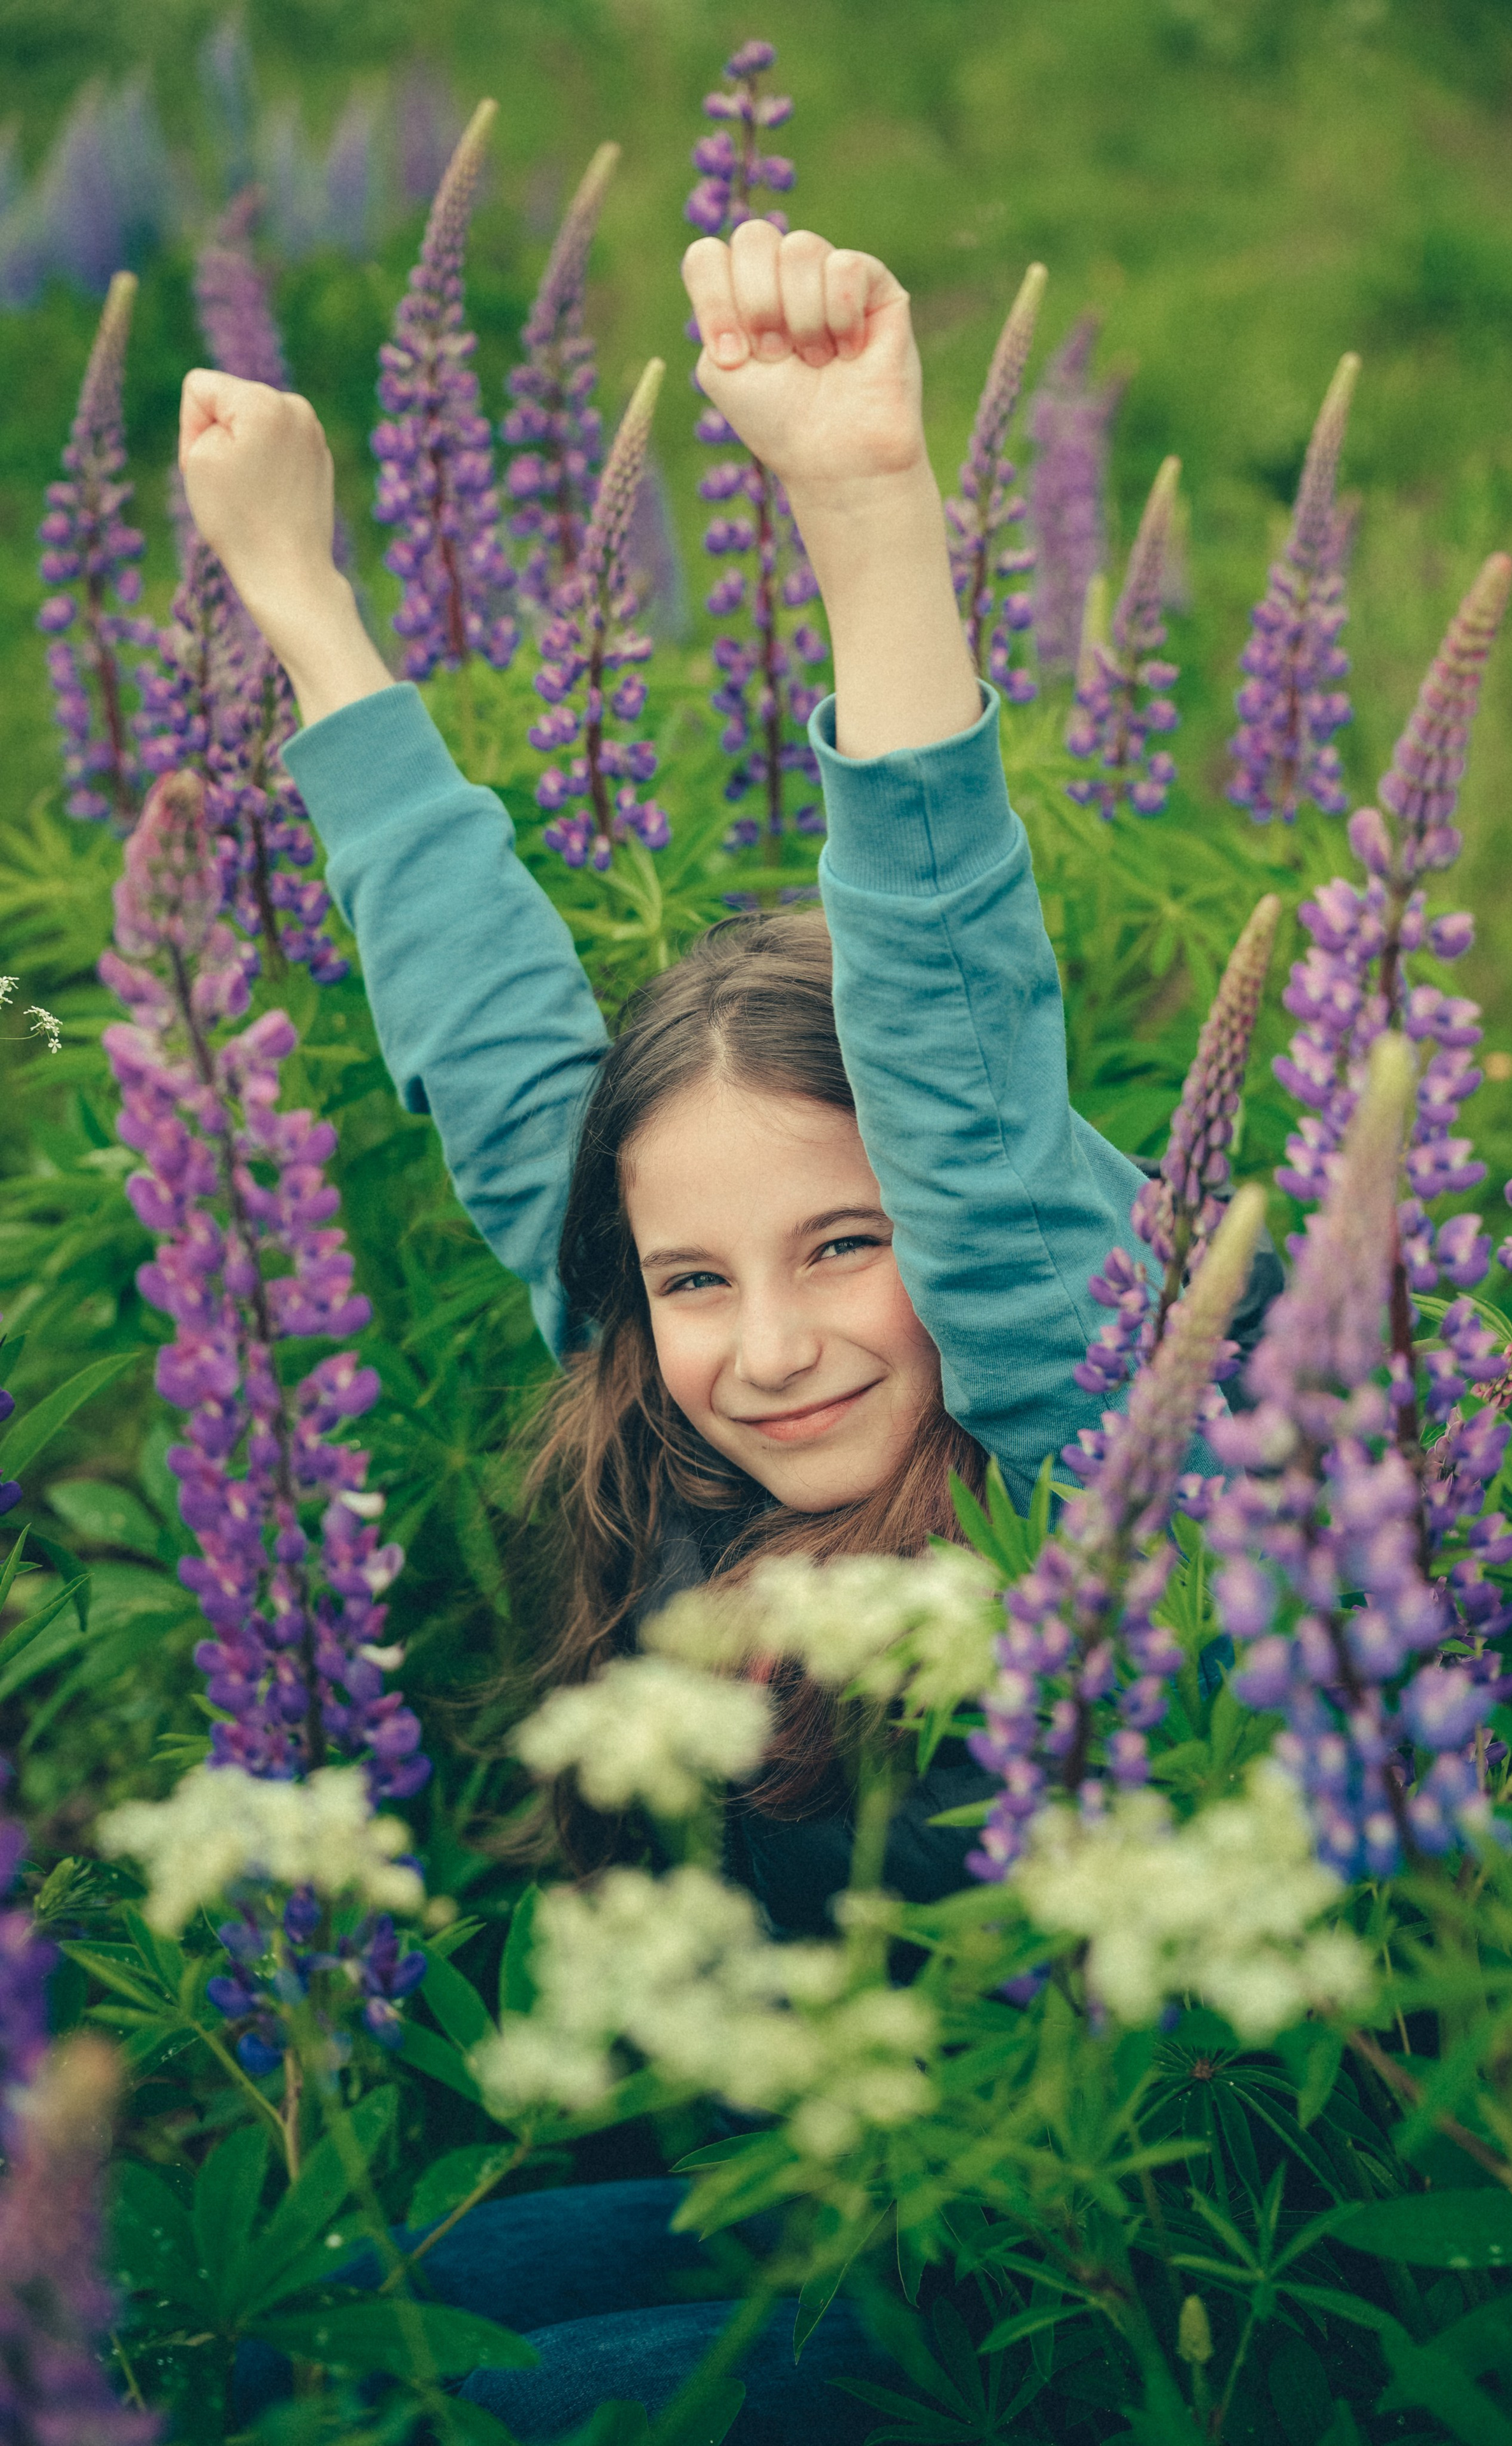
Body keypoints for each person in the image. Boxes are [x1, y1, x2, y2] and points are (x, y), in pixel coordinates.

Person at [185, 222, 1189, 2443]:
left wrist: (859, 508)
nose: (773, 1342)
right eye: (698, 1279)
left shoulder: (1084, 1442)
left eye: (852, 1246)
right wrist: (300, 593)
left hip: (1074, 2272)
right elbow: (489, 1034)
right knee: (300, 2332)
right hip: (816, 2181)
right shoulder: (684, 1424)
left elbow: (957, 1047)